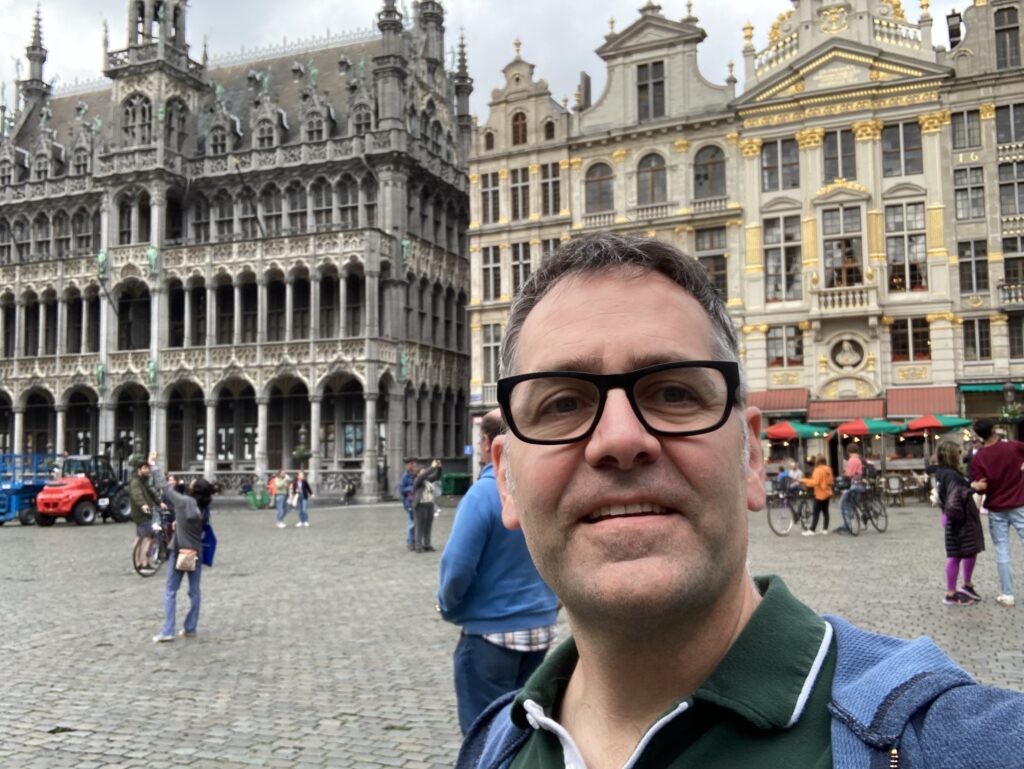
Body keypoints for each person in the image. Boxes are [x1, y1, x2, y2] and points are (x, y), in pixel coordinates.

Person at [456, 234, 1024, 769]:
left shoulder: (958, 742)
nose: (621, 439)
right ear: (505, 478)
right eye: (561, 405)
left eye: (674, 393)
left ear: (751, 455)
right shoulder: (492, 747)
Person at [437, 409, 559, 735]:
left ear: (489, 444)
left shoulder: (483, 494)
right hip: (539, 631)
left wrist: (447, 606)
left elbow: (456, 567)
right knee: (519, 734)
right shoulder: (542, 488)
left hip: (490, 635)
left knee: (484, 735)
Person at [149, 455, 206, 642]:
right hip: (196, 552)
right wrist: (178, 523)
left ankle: (168, 630)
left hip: (179, 550)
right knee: (194, 591)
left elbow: (164, 487)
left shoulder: (184, 502)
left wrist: (153, 466)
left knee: (170, 591)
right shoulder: (203, 508)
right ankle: (190, 627)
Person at [969, 418, 1024, 608]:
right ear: (994, 430)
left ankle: (1007, 594)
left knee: (1002, 551)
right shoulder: (1013, 447)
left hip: (996, 508)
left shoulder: (979, 458)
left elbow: (981, 488)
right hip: (1019, 503)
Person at [933, 439, 985, 606]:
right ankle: (950, 593)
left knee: (969, 551)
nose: (961, 455)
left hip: (956, 517)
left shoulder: (942, 472)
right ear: (951, 455)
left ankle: (966, 586)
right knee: (956, 554)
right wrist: (973, 488)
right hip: (959, 518)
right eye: (959, 452)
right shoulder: (951, 474)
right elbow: (957, 495)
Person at [128, 460, 165, 569]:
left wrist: (160, 502)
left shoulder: (144, 481)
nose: (147, 470)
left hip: (143, 513)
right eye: (145, 468)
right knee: (150, 536)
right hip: (142, 513)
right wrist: (143, 505)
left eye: (148, 468)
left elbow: (151, 493)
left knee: (139, 537)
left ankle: (137, 563)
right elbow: (137, 495)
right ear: (139, 470)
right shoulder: (136, 482)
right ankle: (145, 562)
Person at [412, 459, 441, 552]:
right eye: (422, 471)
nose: (425, 473)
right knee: (420, 526)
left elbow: (437, 476)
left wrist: (439, 468)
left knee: (428, 526)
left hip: (429, 505)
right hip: (420, 505)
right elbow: (423, 476)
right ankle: (418, 546)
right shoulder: (417, 480)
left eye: (425, 471)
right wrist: (432, 467)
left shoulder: (427, 480)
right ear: (418, 473)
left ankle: (427, 545)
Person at [800, 455, 833, 536]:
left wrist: (803, 480)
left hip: (820, 493)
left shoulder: (818, 470)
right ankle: (825, 529)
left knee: (816, 512)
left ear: (817, 462)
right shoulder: (828, 469)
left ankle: (812, 529)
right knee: (825, 512)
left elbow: (815, 482)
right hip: (828, 492)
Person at [836, 443, 864, 534]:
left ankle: (847, 525)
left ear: (848, 452)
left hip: (853, 485)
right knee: (851, 505)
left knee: (842, 504)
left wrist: (843, 476)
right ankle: (848, 523)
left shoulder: (852, 460)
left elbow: (849, 475)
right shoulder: (859, 459)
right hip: (859, 485)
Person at [398, 458, 418, 550]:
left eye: (415, 464)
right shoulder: (405, 476)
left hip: (417, 501)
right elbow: (401, 490)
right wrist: (412, 488)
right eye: (412, 464)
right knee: (411, 523)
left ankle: (414, 541)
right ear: (408, 465)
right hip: (409, 502)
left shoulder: (416, 474)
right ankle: (410, 542)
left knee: (416, 523)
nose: (414, 466)